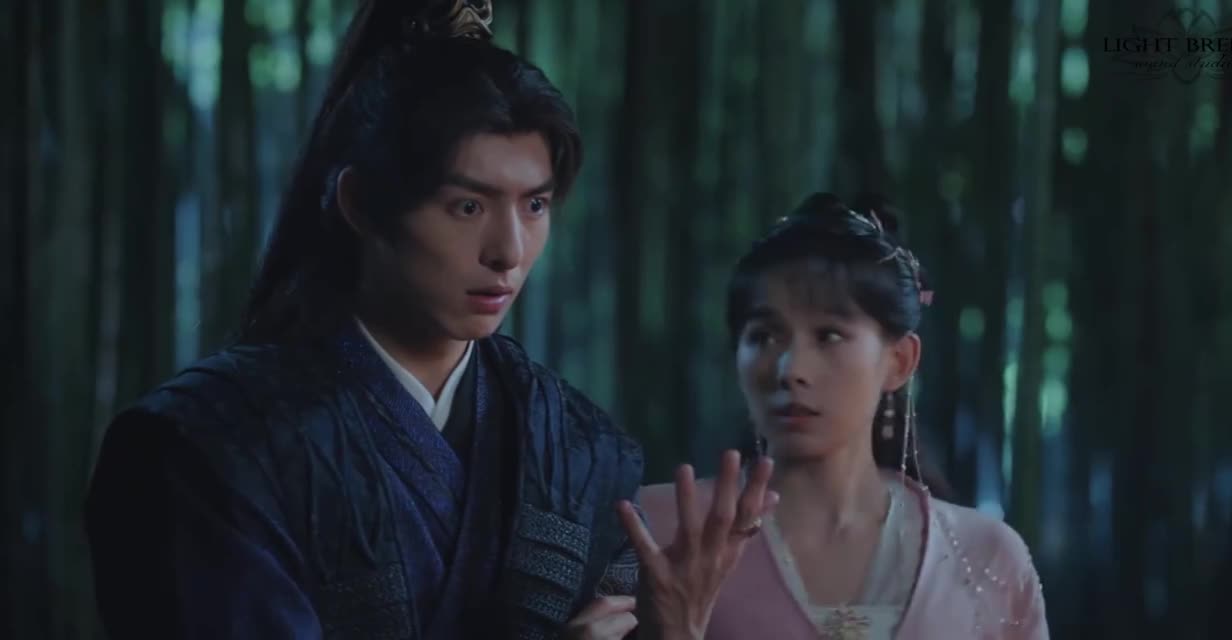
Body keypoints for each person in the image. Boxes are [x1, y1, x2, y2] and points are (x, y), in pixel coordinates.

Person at [83, 2, 772, 638]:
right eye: (467, 207)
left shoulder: (581, 452)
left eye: (535, 206)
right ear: (360, 204)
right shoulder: (207, 446)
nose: (509, 252)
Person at [638, 193, 1050, 639]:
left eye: (829, 336)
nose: (790, 369)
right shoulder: (659, 531)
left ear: (900, 361)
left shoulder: (986, 557)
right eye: (764, 336)